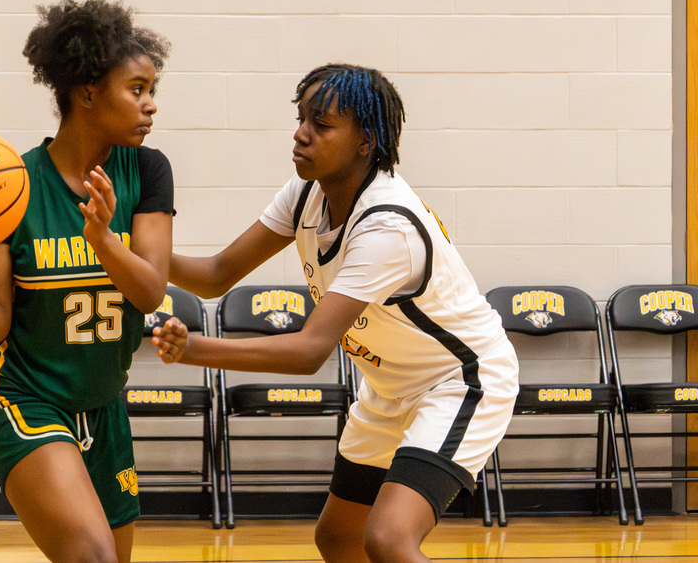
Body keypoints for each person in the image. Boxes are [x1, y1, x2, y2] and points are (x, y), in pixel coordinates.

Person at [152, 63, 518, 563]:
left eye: (321, 125)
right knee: (339, 538)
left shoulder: (387, 226)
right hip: (390, 386)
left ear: (365, 140)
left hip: (461, 381)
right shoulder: (307, 191)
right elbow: (216, 273)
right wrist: (125, 247)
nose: (301, 135)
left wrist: (195, 348)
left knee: (389, 540)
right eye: (301, 119)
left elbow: (308, 351)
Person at [0, 0, 174, 563]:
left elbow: (150, 292)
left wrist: (102, 239)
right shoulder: (11, 185)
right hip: (25, 399)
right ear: (88, 90)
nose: (151, 105)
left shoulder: (147, 170)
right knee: (92, 555)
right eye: (138, 88)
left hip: (104, 405)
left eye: (153, 90)